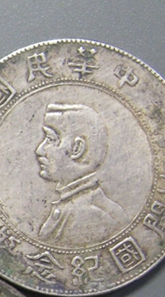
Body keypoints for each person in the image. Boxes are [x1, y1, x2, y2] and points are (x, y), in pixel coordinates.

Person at [35, 103, 128, 245]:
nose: (39, 150)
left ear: (77, 149)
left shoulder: (94, 217)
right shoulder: (72, 206)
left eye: (51, 139)